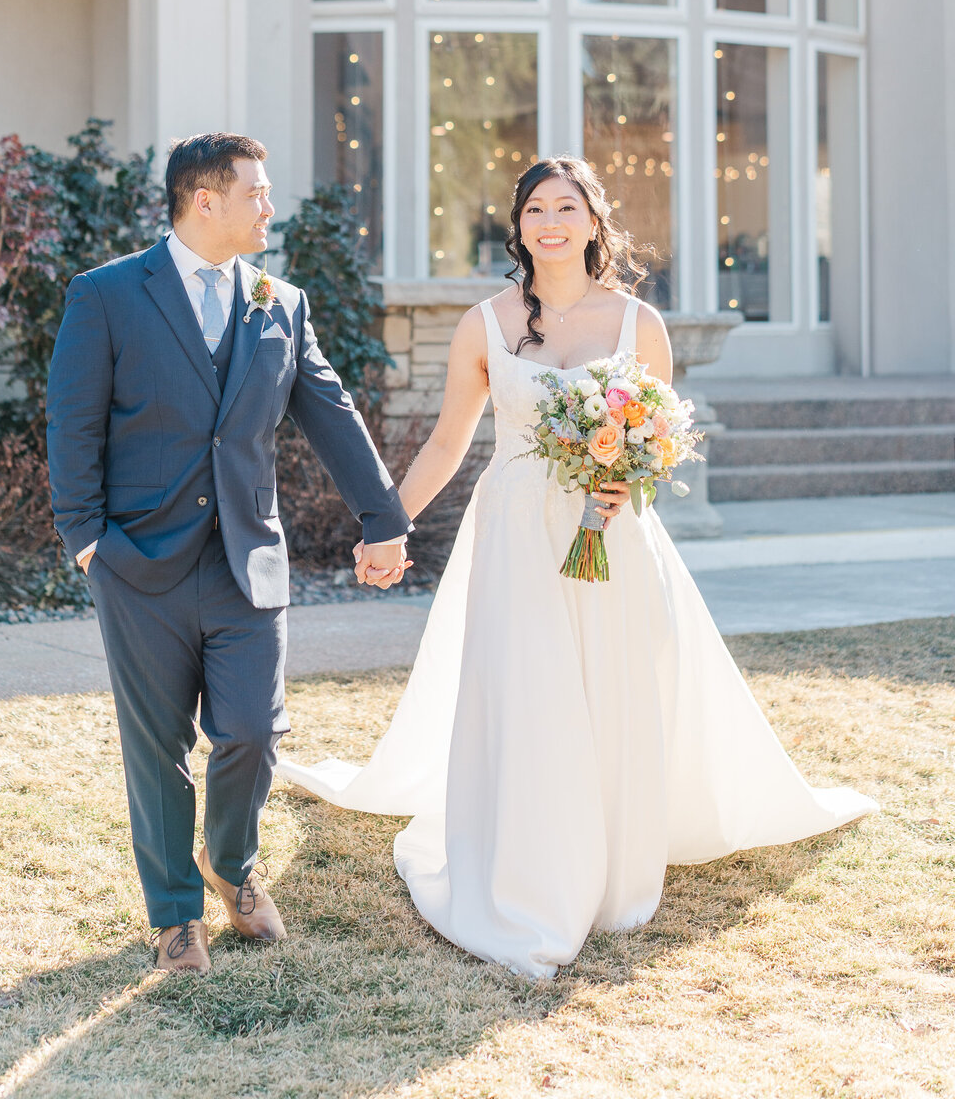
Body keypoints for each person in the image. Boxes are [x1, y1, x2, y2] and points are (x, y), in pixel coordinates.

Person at [278, 156, 876, 977]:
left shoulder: (639, 326)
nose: (549, 222)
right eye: (534, 209)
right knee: (527, 688)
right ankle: (533, 867)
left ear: (594, 223)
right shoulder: (483, 324)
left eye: (567, 207)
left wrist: (619, 489)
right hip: (517, 533)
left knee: (611, 689)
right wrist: (388, 524)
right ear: (517, 226)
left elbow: (654, 446)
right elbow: (450, 442)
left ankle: (612, 861)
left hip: (610, 538)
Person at [46, 132, 410, 975]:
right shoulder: (106, 296)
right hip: (138, 563)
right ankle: (176, 916)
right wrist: (86, 540)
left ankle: (232, 866)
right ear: (202, 200)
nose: (269, 207)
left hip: (250, 559)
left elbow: (331, 410)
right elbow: (73, 422)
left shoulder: (281, 302)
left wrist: (381, 518)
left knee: (252, 732)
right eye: (257, 192)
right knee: (158, 749)